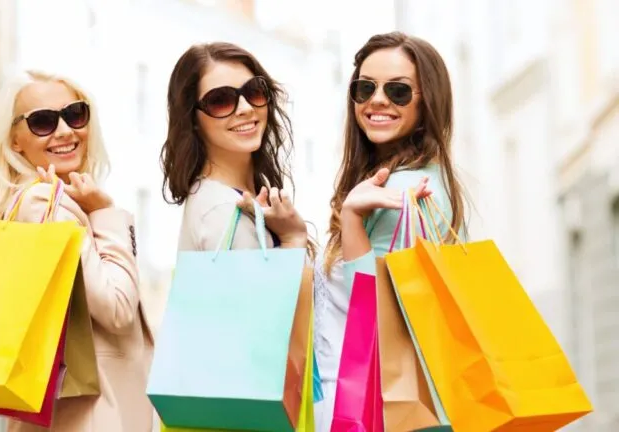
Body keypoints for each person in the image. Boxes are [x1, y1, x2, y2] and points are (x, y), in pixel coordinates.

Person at [0, 69, 154, 432]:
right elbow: (117, 309)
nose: (65, 131)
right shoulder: (47, 206)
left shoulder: (34, 202)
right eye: (42, 121)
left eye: (74, 114)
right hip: (92, 414)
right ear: (15, 140)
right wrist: (105, 213)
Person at [312, 31, 467, 431]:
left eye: (398, 91)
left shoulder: (404, 192)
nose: (377, 100)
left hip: (376, 408)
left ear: (427, 101)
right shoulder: (426, 182)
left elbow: (376, 316)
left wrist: (350, 221)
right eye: (365, 88)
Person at [160, 42, 308, 253]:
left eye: (254, 91)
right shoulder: (223, 210)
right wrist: (294, 239)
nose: (245, 108)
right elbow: (270, 288)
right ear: (192, 119)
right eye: (220, 101)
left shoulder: (236, 197)